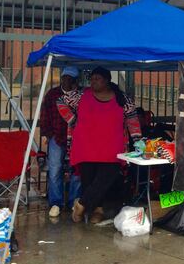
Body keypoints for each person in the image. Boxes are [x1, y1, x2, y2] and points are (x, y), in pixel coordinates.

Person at [57, 66, 141, 224]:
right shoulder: (82, 96)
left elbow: (132, 120)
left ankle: (81, 204)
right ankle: (97, 210)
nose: (93, 82)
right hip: (85, 146)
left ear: (107, 81)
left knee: (105, 179)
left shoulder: (122, 99)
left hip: (112, 148)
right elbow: (61, 101)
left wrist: (138, 141)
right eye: (92, 79)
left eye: (97, 79)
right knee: (89, 180)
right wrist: (72, 120)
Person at [40, 66, 81, 218]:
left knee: (76, 170)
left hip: (77, 139)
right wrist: (47, 134)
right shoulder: (52, 94)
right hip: (57, 137)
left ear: (75, 80)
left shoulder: (81, 95)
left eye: (70, 79)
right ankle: (55, 202)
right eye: (65, 78)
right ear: (62, 78)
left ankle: (73, 202)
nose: (66, 81)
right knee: (55, 169)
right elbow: (44, 114)